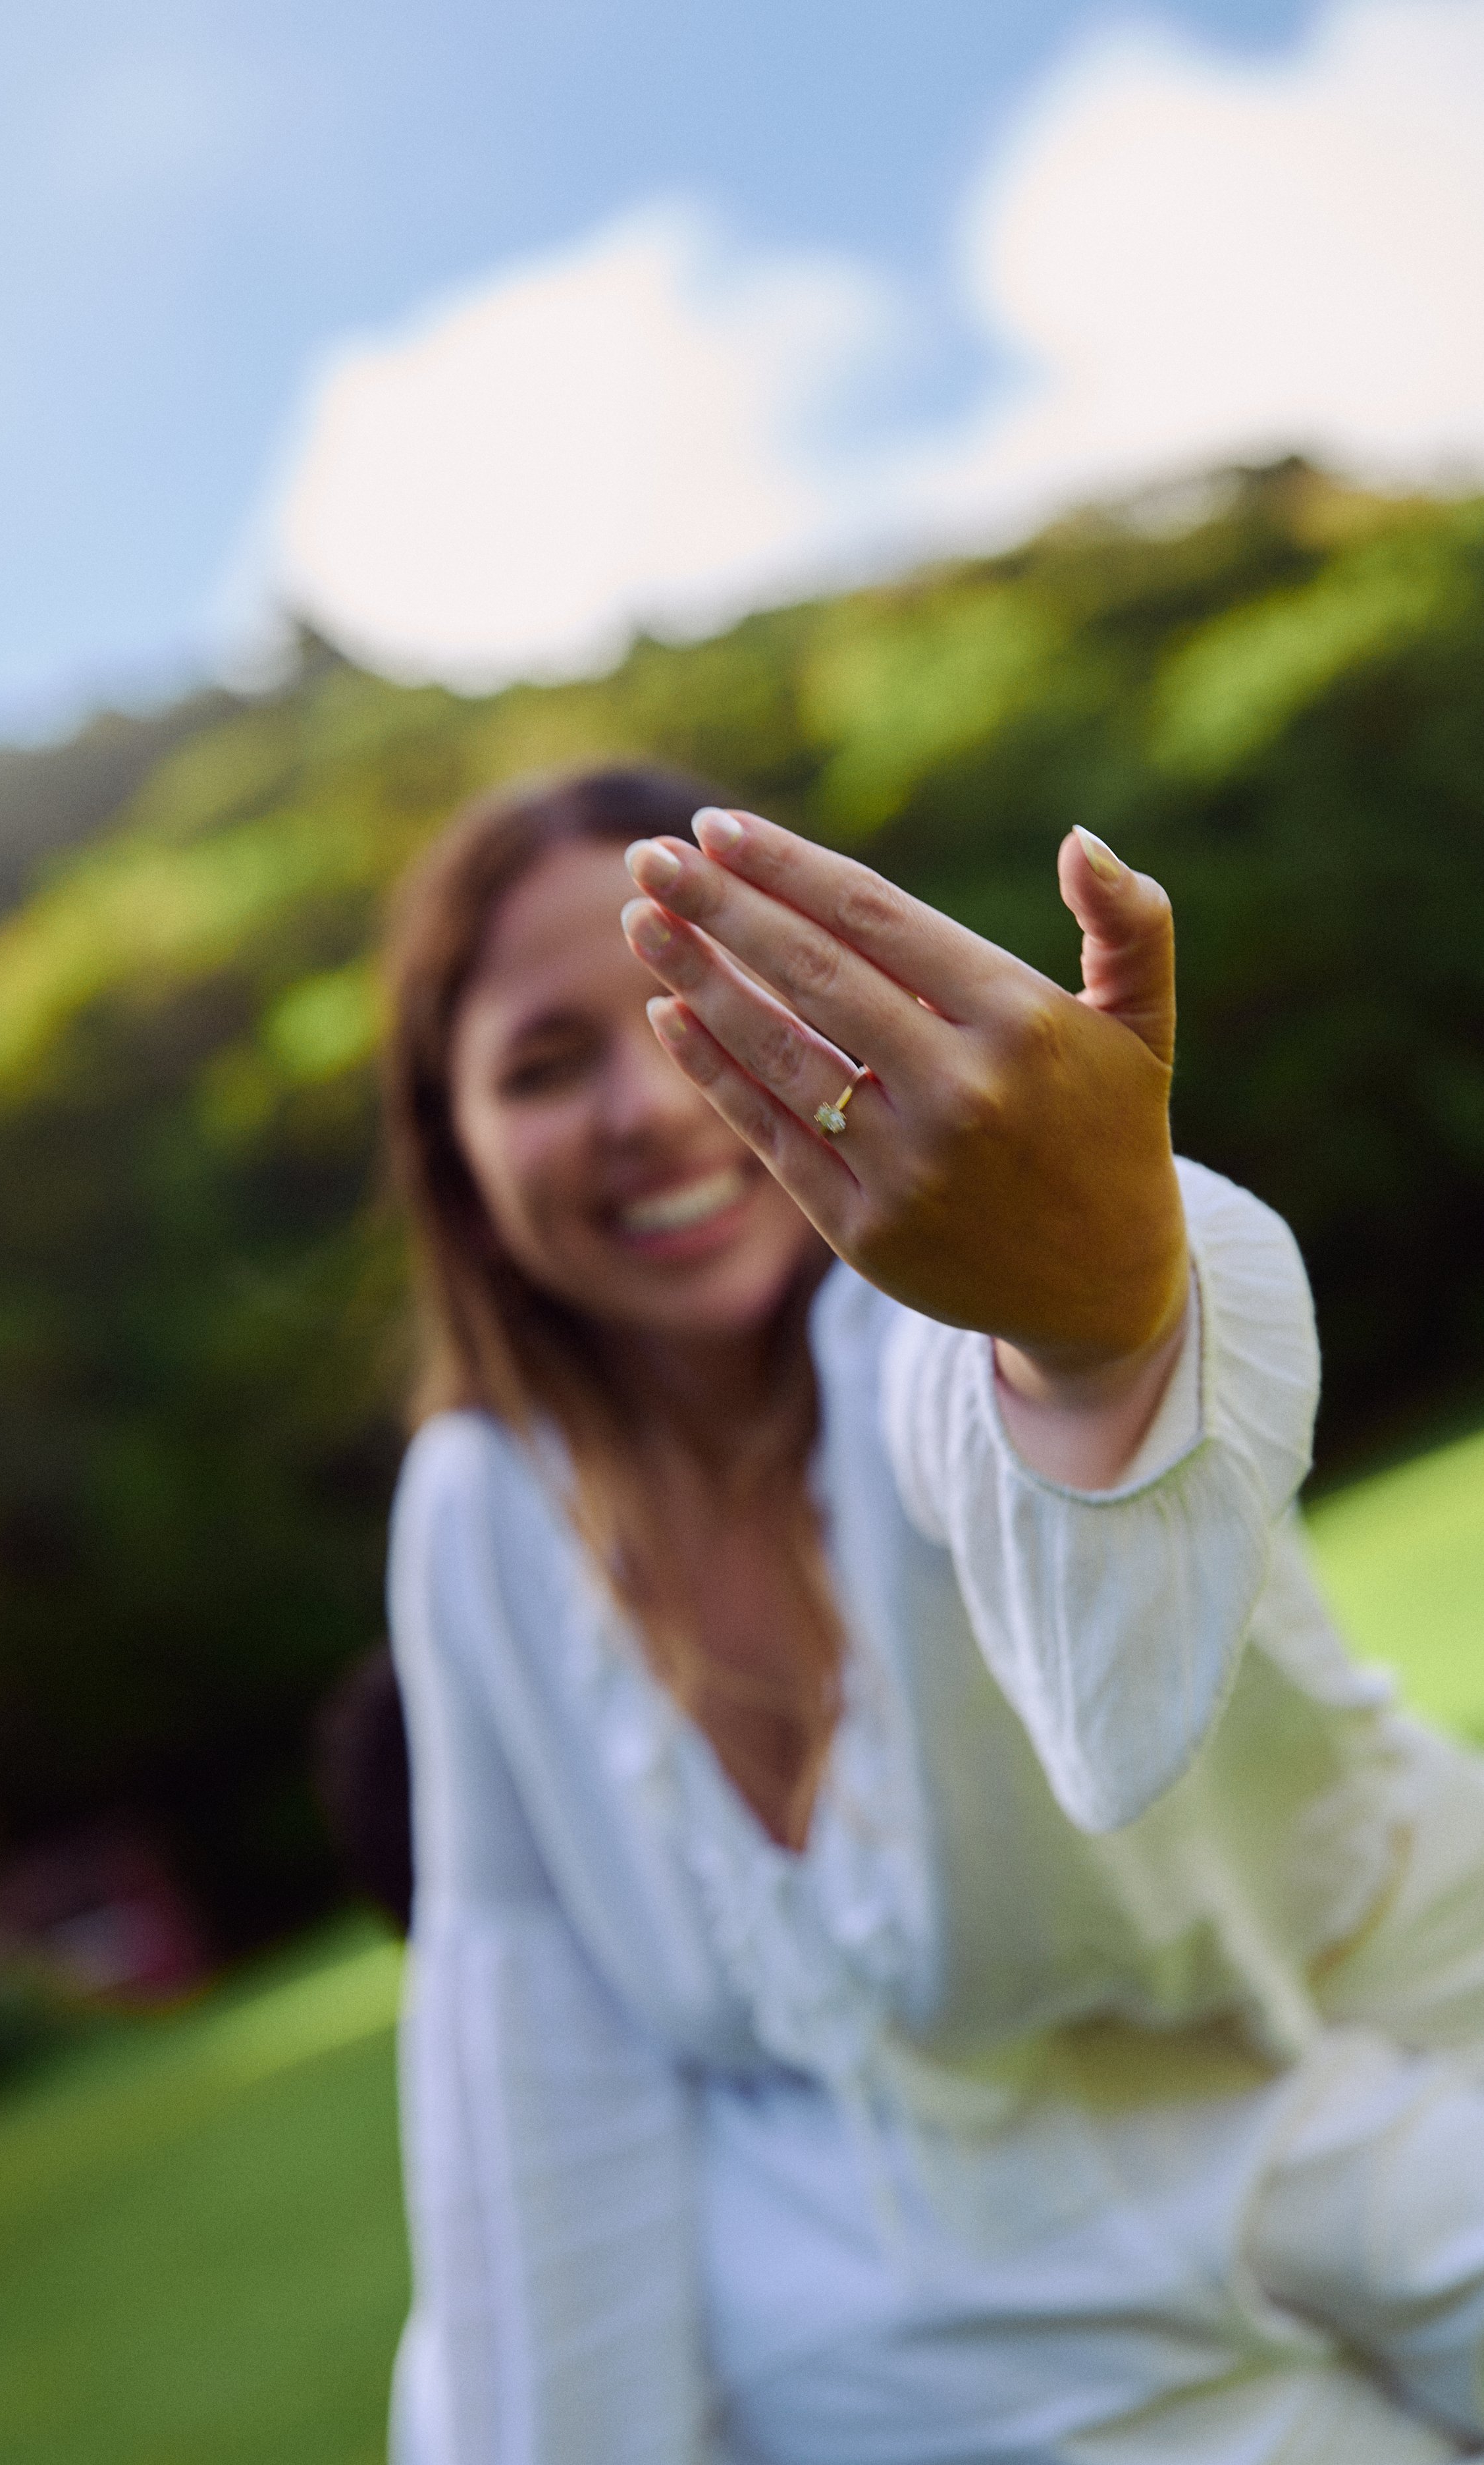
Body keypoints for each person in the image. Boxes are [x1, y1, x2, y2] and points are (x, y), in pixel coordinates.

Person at [381, 762, 1484, 2464]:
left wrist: (1098, 1312)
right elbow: (519, 2046)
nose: (650, 1105)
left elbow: (1026, 1414)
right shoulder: (475, 1515)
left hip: (1381, 2127)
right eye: (544, 1062)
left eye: (699, 1014)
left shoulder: (908, 1331)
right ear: (449, 1154)